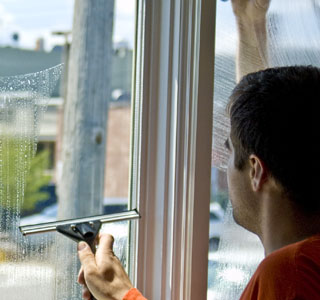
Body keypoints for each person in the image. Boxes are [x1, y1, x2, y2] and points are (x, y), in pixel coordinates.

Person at [76, 0, 320, 299]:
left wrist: (120, 295)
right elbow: (265, 124)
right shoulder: (306, 257)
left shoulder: (292, 273)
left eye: (230, 152)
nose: (224, 165)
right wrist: (249, 20)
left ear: (256, 171)